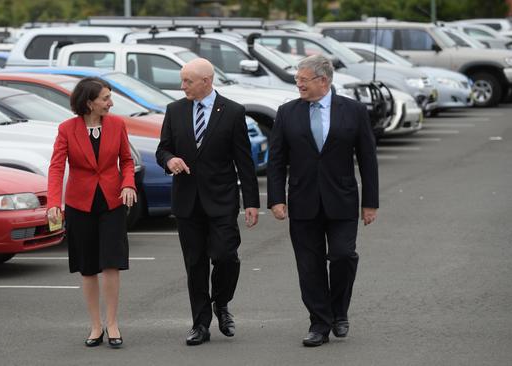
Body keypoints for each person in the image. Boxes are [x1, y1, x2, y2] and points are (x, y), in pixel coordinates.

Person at [267, 55, 379, 347]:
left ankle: (339, 311)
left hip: (341, 200)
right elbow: (277, 160)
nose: (298, 84)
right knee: (309, 265)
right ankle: (319, 323)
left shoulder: (353, 111)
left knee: (343, 255)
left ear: (323, 81)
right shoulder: (287, 112)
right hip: (303, 201)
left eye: (303, 80)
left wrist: (370, 202)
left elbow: (368, 158)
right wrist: (276, 199)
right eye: (297, 80)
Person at [156, 58, 260, 346]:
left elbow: (244, 160)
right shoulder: (175, 110)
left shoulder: (233, 112)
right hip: (187, 202)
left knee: (226, 256)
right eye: (182, 81)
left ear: (206, 81)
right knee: (195, 264)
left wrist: (252, 201)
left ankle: (222, 302)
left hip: (222, 199)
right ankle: (200, 324)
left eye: (187, 81)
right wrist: (170, 160)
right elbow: (163, 149)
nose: (182, 86)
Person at [47, 77, 137, 348]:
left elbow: (128, 161)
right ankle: (95, 325)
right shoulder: (67, 129)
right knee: (88, 267)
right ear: (89, 103)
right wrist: (54, 203)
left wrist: (128, 183)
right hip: (80, 204)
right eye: (105, 98)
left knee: (111, 262)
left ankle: (112, 323)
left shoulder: (118, 124)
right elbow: (56, 168)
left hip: (112, 203)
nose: (111, 103)